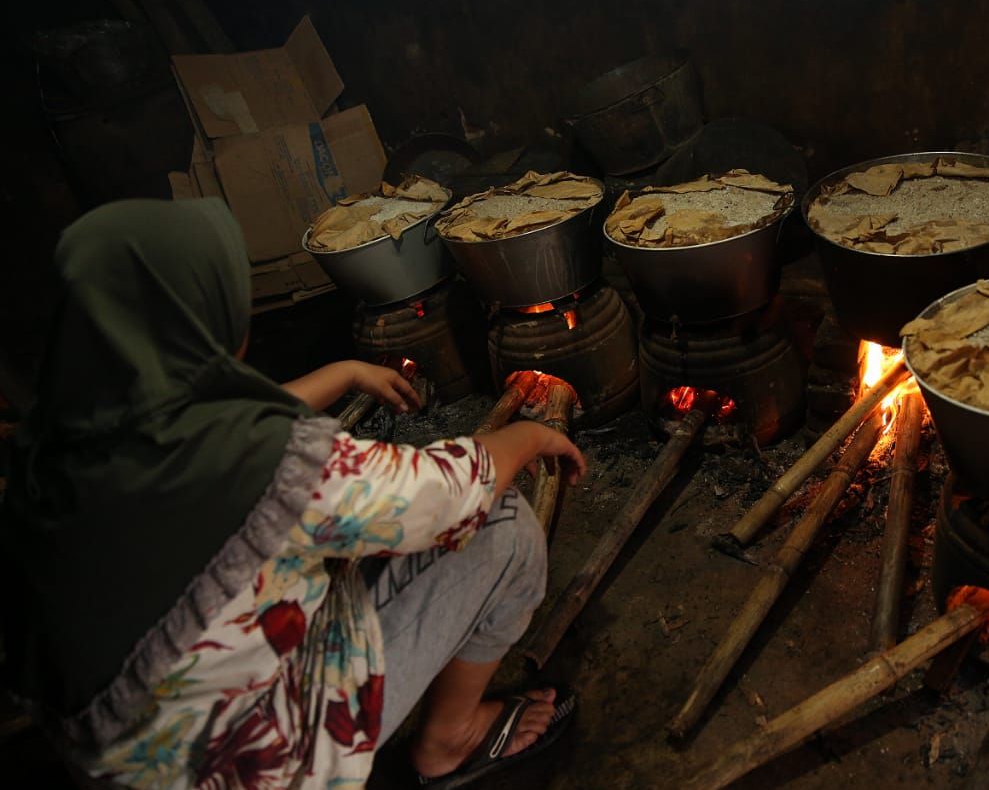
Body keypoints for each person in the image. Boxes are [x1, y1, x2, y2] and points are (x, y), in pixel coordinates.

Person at [0, 198, 585, 788]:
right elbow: (445, 495)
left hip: (129, 754)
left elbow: (202, 421)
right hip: (250, 765)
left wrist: (345, 373)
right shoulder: (258, 463)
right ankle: (450, 741)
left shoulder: (52, 447)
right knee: (501, 524)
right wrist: (526, 438)